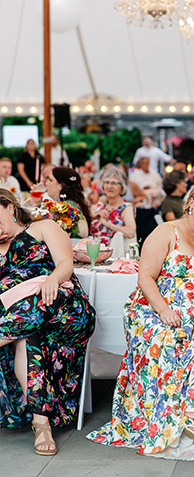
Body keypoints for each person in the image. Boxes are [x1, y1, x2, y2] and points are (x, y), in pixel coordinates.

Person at [87, 182, 194, 460]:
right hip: (156, 308)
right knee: (165, 342)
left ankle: (193, 417)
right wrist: (164, 310)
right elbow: (145, 277)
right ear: (191, 201)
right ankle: (178, 423)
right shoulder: (167, 231)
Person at [0, 189, 96, 455]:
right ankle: (41, 424)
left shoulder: (42, 227)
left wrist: (53, 279)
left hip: (62, 306)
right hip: (22, 320)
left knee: (40, 298)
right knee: (28, 336)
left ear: (9, 207)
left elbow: (66, 263)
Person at [90, 166, 137, 247]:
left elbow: (131, 232)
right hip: (95, 253)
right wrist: (93, 217)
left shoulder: (126, 208)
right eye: (107, 182)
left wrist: (107, 224)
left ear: (122, 188)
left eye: (114, 183)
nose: (109, 186)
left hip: (116, 255)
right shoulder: (100, 207)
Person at [42, 167, 93, 238]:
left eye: (50, 180)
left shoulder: (68, 206)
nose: (46, 183)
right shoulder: (68, 203)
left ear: (61, 186)